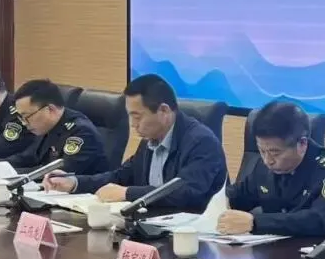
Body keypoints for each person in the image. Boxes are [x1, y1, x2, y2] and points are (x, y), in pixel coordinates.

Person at [43, 74, 226, 209]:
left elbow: (185, 192)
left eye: (137, 117)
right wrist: (75, 182)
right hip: (152, 226)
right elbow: (120, 176)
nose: (132, 124)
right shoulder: (150, 139)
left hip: (191, 235)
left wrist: (126, 193)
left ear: (163, 111)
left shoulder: (201, 142)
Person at [221, 101, 325, 236]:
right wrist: (220, 203)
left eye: (275, 153)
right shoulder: (263, 166)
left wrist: (256, 223)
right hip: (271, 247)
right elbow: (238, 196)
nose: (268, 160)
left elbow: (322, 220)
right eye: (262, 151)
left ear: (302, 143)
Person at [4, 79, 109, 176]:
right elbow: (28, 157)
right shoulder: (46, 126)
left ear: (50, 109)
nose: (24, 123)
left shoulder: (81, 132)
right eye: (21, 117)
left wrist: (13, 174)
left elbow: (58, 173)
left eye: (27, 116)